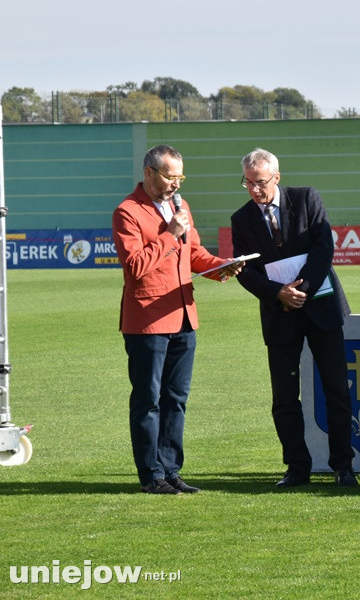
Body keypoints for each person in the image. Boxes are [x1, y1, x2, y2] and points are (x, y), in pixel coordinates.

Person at [113, 144, 243, 495]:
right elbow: (136, 267)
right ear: (150, 173)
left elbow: (194, 254)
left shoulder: (180, 206)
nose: (176, 184)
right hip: (148, 322)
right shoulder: (128, 212)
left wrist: (221, 267)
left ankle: (171, 471)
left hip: (184, 317)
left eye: (180, 177)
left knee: (176, 399)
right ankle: (150, 475)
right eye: (171, 177)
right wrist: (169, 233)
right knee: (148, 400)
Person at [231, 148, 357, 488]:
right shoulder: (240, 219)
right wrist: (278, 293)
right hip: (279, 315)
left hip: (321, 307)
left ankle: (343, 465)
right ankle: (297, 467)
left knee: (336, 390)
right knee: (285, 397)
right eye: (248, 182)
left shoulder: (306, 199)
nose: (255, 190)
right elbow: (245, 271)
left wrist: (303, 288)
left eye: (260, 182)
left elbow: (323, 248)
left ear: (277, 177)